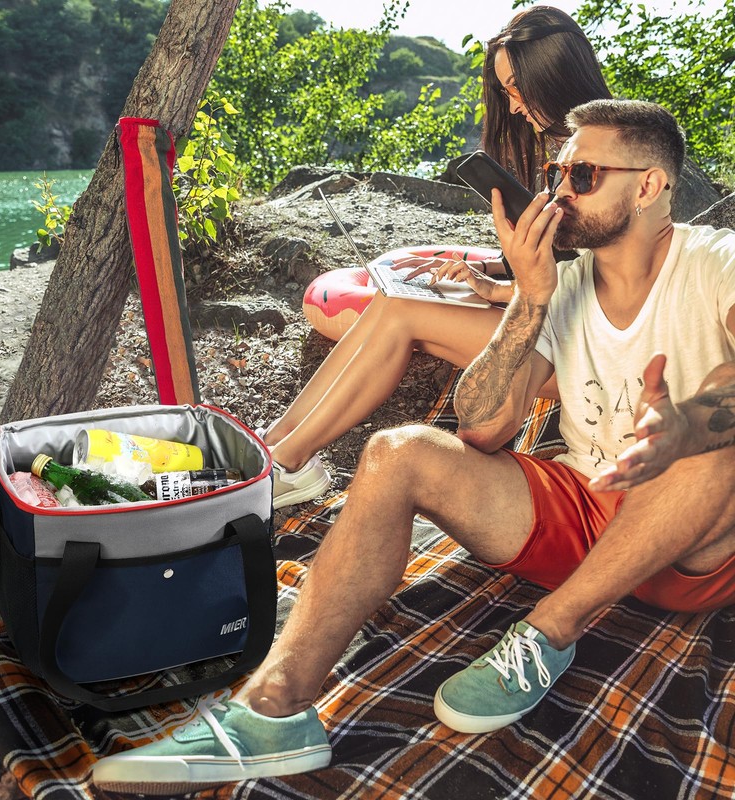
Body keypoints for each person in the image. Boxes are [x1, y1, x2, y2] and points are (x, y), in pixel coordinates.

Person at [92, 99, 735, 791]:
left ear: (648, 186)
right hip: (586, 507)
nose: (557, 192)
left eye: (582, 175)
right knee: (397, 452)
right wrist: (528, 299)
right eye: (556, 174)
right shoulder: (565, 284)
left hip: (691, 545)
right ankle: (272, 712)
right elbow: (482, 428)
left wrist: (687, 426)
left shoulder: (716, 262)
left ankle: (549, 629)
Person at [265, 6, 613, 508]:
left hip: (588, 351)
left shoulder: (606, 160)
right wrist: (491, 273)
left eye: (517, 88)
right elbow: (569, 262)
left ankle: (290, 464)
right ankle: (277, 442)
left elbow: (607, 290)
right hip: (557, 324)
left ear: (553, 74)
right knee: (393, 300)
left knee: (404, 314)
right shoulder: (563, 151)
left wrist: (506, 291)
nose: (513, 106)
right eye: (505, 91)